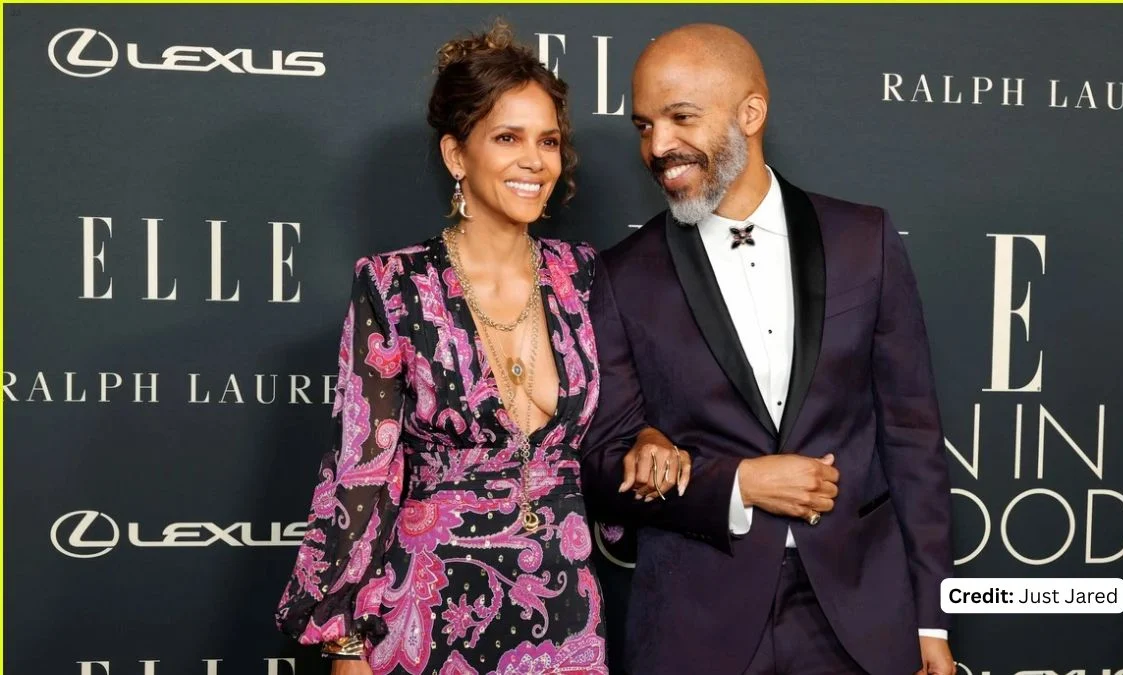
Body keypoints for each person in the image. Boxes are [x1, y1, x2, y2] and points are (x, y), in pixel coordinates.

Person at [582, 23, 957, 675]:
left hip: (859, 616)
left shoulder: (862, 239)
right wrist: (740, 484)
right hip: (696, 623)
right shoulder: (621, 276)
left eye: (680, 118)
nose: (658, 145)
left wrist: (931, 620)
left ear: (751, 112)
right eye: (644, 125)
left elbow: (913, 438)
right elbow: (602, 465)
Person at [275, 21, 609, 675]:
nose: (535, 160)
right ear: (458, 155)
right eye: (507, 137)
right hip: (428, 614)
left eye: (548, 140)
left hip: (567, 610)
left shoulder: (587, 276)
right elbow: (360, 469)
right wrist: (347, 644)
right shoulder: (394, 285)